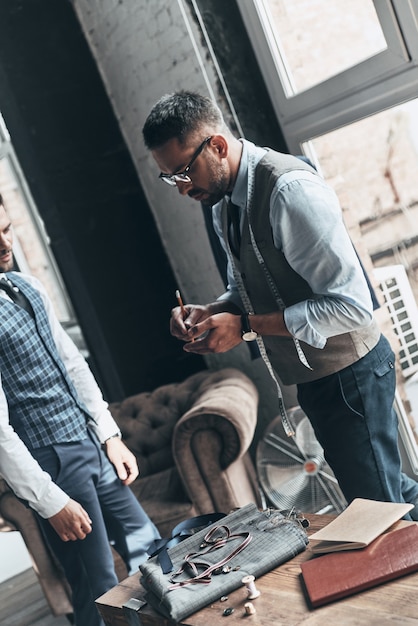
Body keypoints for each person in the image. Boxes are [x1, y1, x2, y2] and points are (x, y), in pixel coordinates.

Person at [142, 90, 418, 519]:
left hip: (352, 377)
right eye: (169, 178)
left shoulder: (290, 191)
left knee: (380, 514)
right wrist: (212, 311)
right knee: (388, 490)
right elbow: (244, 285)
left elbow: (351, 306)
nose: (181, 189)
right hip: (317, 380)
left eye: (183, 172)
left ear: (216, 146)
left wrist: (246, 326)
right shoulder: (222, 204)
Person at [0, 194, 160, 626]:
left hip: (90, 444)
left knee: (152, 549)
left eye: (6, 229)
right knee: (98, 585)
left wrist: (110, 437)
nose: (4, 244)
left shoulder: (27, 285)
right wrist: (50, 501)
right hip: (50, 463)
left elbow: (73, 364)